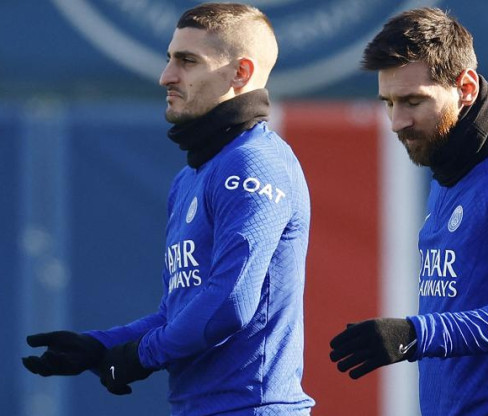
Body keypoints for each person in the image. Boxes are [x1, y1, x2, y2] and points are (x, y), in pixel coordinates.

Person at [22, 3, 315, 414]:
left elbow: (229, 305)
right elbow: (179, 310)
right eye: (169, 59)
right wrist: (100, 347)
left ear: (240, 74)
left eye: (187, 61)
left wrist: (136, 358)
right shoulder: (192, 176)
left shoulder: (252, 163)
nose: (166, 76)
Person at [329, 7, 488, 415]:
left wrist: (414, 333)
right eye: (388, 102)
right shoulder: (450, 163)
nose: (396, 121)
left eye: (412, 101)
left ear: (464, 87)